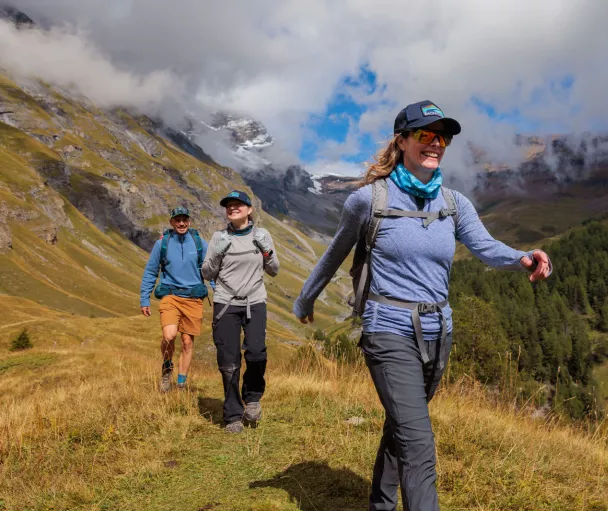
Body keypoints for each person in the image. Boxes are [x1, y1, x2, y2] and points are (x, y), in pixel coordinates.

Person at [293, 100, 553, 511]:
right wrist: (305, 300)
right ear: (402, 140)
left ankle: (381, 504)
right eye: (425, 135)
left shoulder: (453, 203)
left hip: (438, 334)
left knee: (403, 427)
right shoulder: (368, 201)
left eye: (442, 137)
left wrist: (523, 257)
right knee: (418, 441)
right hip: (387, 329)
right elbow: (333, 255)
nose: (436, 144)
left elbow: (485, 247)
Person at [201, 190, 280, 434]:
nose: (233, 208)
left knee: (256, 352)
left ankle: (253, 397)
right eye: (229, 205)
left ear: (249, 209)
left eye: (238, 205)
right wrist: (216, 252)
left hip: (255, 302)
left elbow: (274, 269)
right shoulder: (218, 237)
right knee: (229, 362)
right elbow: (207, 273)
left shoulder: (262, 235)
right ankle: (233, 415)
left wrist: (266, 250)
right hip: (226, 303)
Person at [140, 206, 213, 392]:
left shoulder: (198, 243)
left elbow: (210, 271)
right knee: (169, 335)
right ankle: (167, 369)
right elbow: (151, 271)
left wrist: (217, 291)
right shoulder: (162, 244)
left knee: (187, 342)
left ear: (189, 221)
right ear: (171, 222)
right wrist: (144, 299)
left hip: (193, 298)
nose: (181, 223)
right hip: (170, 296)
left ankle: (180, 384)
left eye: (184, 219)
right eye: (177, 220)